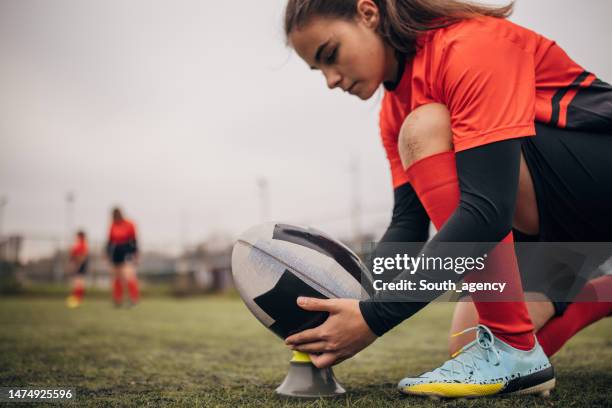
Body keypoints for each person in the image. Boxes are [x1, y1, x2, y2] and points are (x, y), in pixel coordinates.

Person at [282, 0, 612, 399]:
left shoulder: (469, 46)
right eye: (319, 71)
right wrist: (351, 300)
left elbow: (487, 213)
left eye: (330, 55)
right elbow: (407, 224)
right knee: (468, 344)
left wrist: (374, 317)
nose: (331, 80)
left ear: (368, 14)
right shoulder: (392, 111)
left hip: (593, 189)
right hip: (556, 227)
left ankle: (514, 347)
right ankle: (592, 297)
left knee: (426, 125)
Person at [106, 207, 140, 306]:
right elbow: (110, 241)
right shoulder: (112, 225)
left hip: (127, 251)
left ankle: (133, 298)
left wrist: (135, 253)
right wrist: (107, 253)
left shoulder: (129, 224)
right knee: (117, 276)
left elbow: (134, 240)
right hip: (116, 252)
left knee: (128, 275)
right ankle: (117, 299)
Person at [66, 230, 88, 308]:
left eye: (77, 236)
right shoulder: (78, 243)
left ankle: (77, 299)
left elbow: (82, 256)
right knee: (77, 282)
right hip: (77, 263)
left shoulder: (82, 244)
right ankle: (76, 298)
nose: (76, 237)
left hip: (80, 264)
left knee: (78, 282)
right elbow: (73, 254)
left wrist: (77, 265)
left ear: (80, 236)